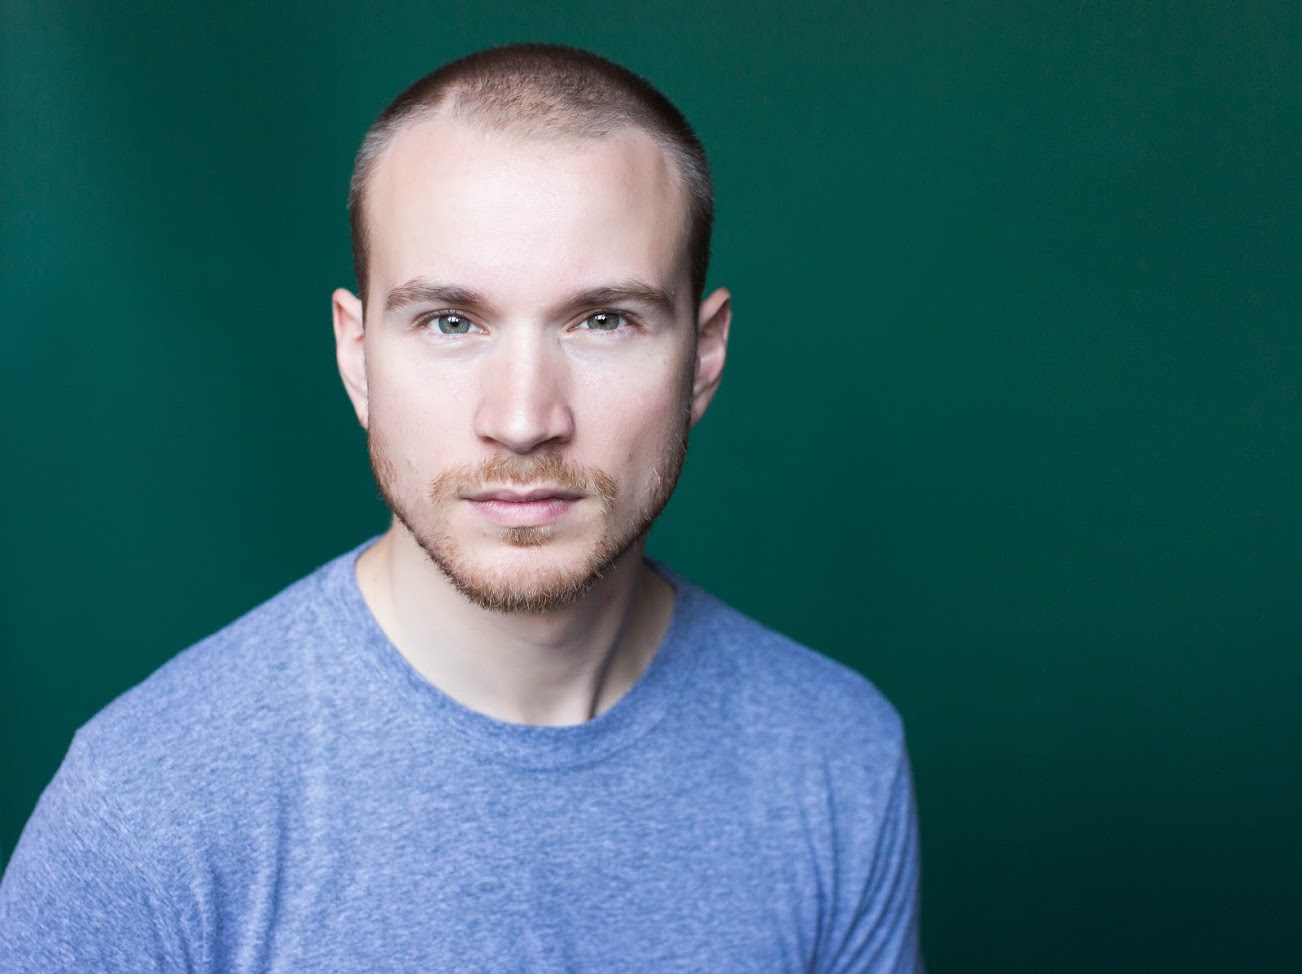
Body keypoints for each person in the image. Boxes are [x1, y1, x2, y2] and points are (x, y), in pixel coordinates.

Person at [0, 44, 923, 972]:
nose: (523, 420)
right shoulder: (146, 813)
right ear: (358, 357)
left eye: (603, 321)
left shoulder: (833, 761)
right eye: (450, 322)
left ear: (704, 359)